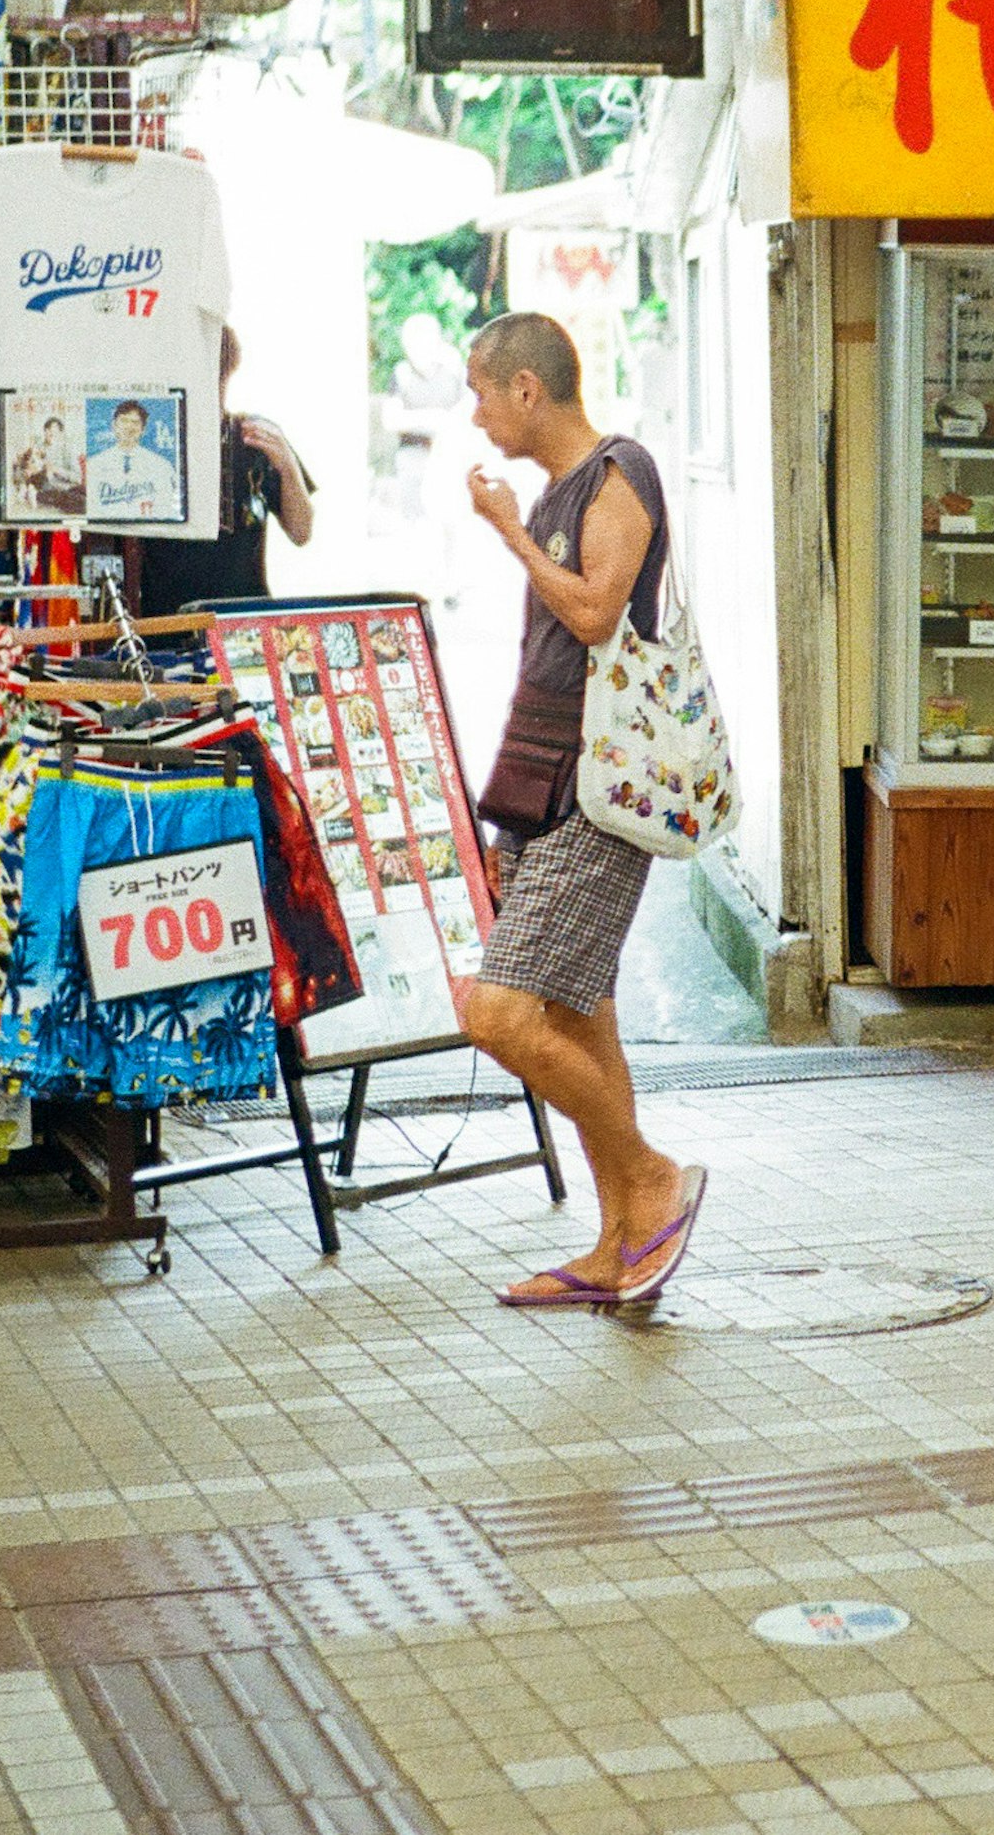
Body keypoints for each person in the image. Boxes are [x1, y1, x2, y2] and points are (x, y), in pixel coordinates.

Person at [452, 310, 706, 1308]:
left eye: (482, 390)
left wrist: (511, 533)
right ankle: (618, 1243)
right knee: (573, 1012)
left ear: (527, 388)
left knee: (501, 1014)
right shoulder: (567, 487)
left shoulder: (616, 472)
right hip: (540, 781)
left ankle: (649, 1176)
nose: (475, 415)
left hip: (597, 793)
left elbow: (599, 610)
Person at [131, 327, 314, 612]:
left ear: (229, 370)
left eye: (216, 372)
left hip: (243, 621)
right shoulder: (148, 440)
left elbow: (301, 532)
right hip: (165, 621)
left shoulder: (257, 437)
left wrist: (288, 467)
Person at [80, 398, 177, 522]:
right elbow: (91, 509)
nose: (129, 427)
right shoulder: (94, 464)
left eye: (135, 422)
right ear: (114, 425)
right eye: (124, 421)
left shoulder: (161, 465)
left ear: (143, 429)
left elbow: (165, 508)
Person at [9, 412, 84, 518]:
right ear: (44, 431)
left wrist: (56, 470)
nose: (51, 433)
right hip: (50, 492)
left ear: (61, 434)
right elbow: (20, 472)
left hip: (69, 487)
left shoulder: (67, 450)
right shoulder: (36, 448)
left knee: (89, 497)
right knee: (82, 503)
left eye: (55, 431)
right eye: (48, 430)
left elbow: (78, 478)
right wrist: (25, 472)